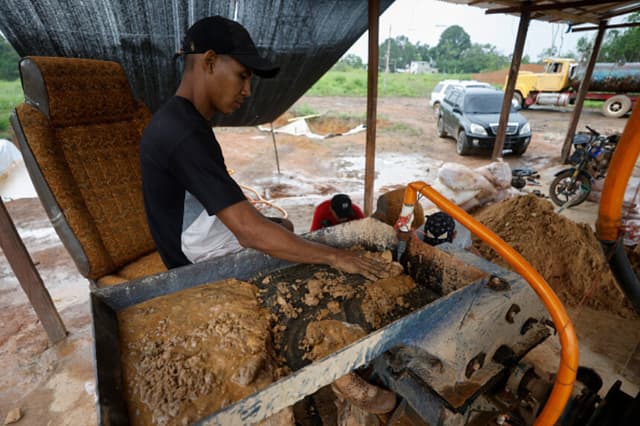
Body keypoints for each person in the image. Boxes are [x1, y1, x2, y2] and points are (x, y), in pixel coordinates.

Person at [140, 15, 388, 280]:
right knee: (310, 265)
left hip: (200, 232)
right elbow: (248, 231)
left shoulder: (182, 118)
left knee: (285, 226)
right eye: (242, 76)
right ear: (209, 61)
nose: (247, 91)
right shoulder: (183, 132)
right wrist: (336, 256)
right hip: (193, 259)